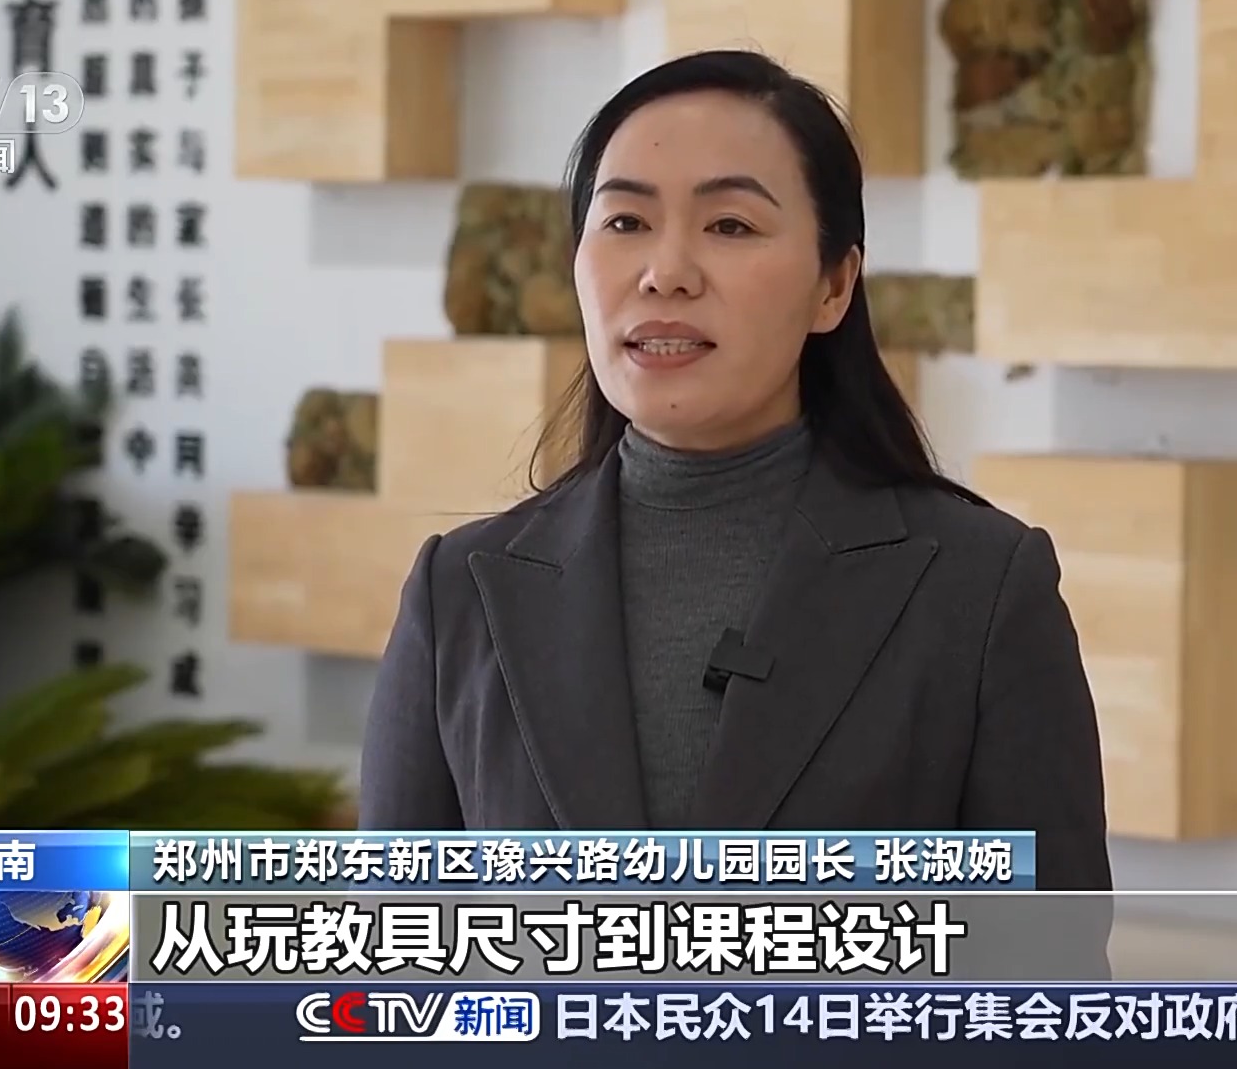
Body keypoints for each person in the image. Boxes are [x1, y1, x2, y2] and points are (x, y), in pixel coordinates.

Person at [360, 51, 1112, 902]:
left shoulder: (980, 591)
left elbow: (1043, 965)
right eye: (625, 222)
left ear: (834, 285)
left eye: (729, 226)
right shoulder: (459, 595)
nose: (666, 272)